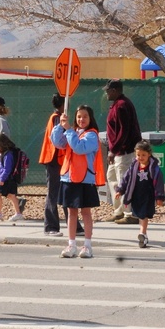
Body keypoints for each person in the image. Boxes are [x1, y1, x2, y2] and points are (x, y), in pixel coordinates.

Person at [51, 104, 106, 259]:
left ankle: (87, 245)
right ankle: (71, 244)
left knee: (86, 212)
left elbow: (79, 148)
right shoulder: (72, 132)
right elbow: (58, 143)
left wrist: (68, 130)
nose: (81, 119)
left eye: (85, 116)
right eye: (79, 116)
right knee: (71, 212)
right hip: (69, 177)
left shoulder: (92, 135)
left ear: (91, 118)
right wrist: (60, 125)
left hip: (85, 179)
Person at [104, 79, 142, 224]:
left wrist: (114, 150)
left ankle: (130, 213)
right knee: (112, 177)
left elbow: (123, 131)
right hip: (118, 151)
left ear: (114, 90)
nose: (106, 93)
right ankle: (119, 211)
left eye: (108, 91)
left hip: (124, 151)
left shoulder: (122, 105)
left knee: (123, 181)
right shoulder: (117, 105)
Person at [115, 140, 165, 248]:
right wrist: (120, 190)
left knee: (143, 215)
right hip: (136, 195)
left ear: (149, 154)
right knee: (140, 215)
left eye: (143, 155)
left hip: (148, 195)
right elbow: (126, 179)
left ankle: (142, 233)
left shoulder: (153, 168)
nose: (140, 157)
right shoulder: (133, 167)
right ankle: (144, 237)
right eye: (138, 155)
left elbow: (158, 182)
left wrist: (159, 196)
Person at [38, 94, 67, 237]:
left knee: (65, 191)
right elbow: (58, 139)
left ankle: (74, 225)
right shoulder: (57, 118)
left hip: (57, 159)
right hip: (54, 159)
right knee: (53, 193)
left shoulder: (57, 117)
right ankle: (50, 226)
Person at [0, 133, 25, 221]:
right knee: (8, 195)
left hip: (7, 179)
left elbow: (7, 169)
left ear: (1, 145)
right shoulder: (3, 153)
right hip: (6, 179)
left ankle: (1, 213)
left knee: (3, 194)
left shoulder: (8, 155)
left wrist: (2, 179)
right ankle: (15, 213)